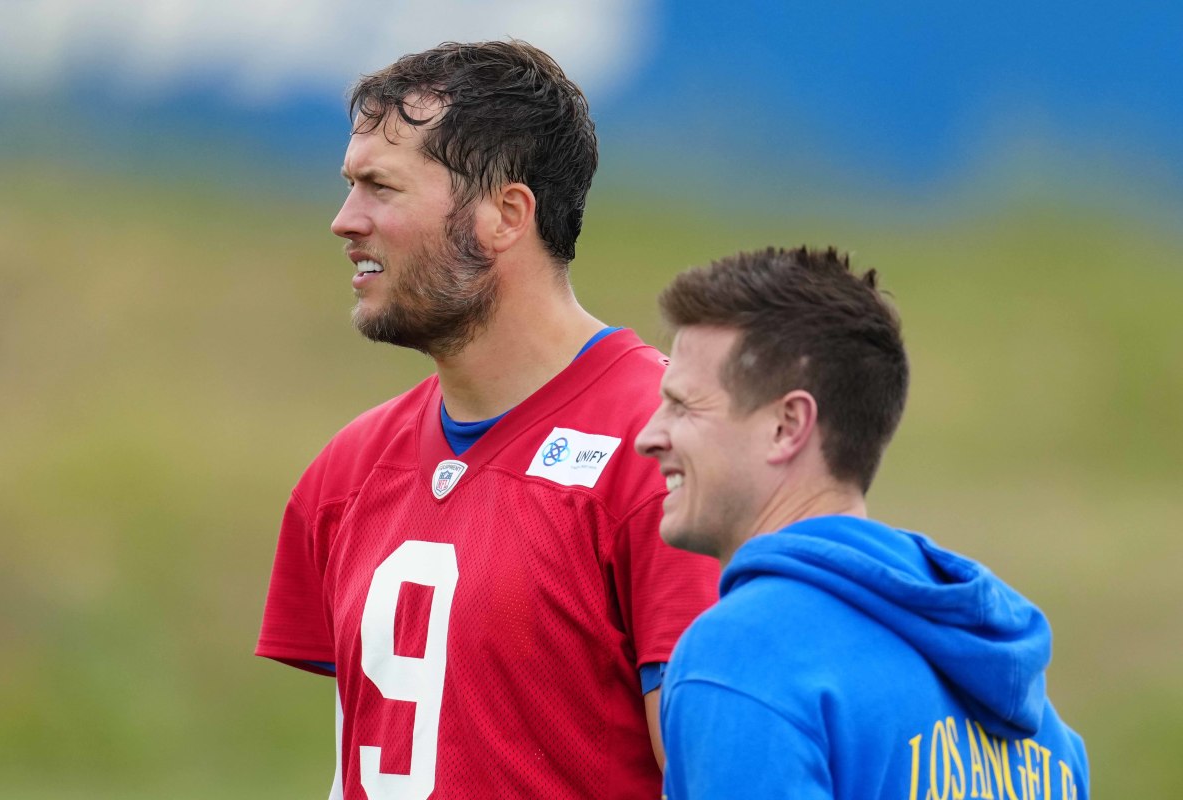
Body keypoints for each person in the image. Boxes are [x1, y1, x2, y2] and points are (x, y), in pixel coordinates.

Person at [255, 40, 719, 799]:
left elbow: (715, 774)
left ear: (505, 214)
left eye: (381, 187)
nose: (344, 221)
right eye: (350, 185)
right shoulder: (346, 471)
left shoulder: (664, 454)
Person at [634, 246, 1089, 799]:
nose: (649, 435)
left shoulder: (743, 659)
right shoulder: (1046, 737)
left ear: (787, 425)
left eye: (683, 406)